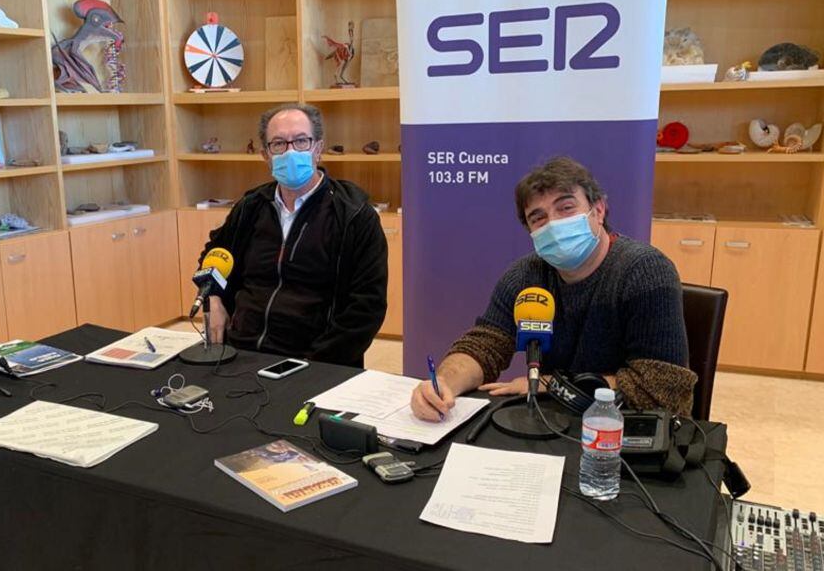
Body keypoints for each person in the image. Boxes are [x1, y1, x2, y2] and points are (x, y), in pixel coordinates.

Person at [411, 156, 695, 421]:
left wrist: (549, 385)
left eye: (566, 207)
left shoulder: (645, 271)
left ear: (598, 210)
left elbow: (661, 389)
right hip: (554, 423)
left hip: (625, 432)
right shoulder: (525, 275)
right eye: (539, 217)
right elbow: (484, 345)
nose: (554, 223)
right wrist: (444, 383)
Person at [199, 103, 388, 367]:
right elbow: (213, 255)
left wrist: (316, 365)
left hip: (315, 362)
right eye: (278, 144)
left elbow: (367, 308)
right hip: (240, 351)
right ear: (265, 154)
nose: (290, 152)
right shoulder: (251, 207)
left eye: (300, 141)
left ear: (318, 148)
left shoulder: (354, 216)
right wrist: (214, 298)